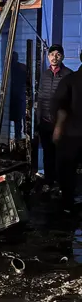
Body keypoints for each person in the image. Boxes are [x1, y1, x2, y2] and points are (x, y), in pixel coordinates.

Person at [36, 44, 73, 187]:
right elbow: (40, 99)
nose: (54, 57)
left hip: (61, 123)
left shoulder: (68, 75)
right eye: (52, 54)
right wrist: (38, 120)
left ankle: (61, 183)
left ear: (62, 57)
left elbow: (71, 100)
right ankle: (49, 182)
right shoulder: (45, 75)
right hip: (45, 122)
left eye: (58, 54)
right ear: (48, 57)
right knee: (48, 153)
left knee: (61, 154)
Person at [52, 51, 82, 211]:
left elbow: (60, 107)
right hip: (72, 134)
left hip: (71, 135)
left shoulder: (69, 80)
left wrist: (57, 128)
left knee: (67, 171)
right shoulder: (69, 80)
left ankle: (67, 204)